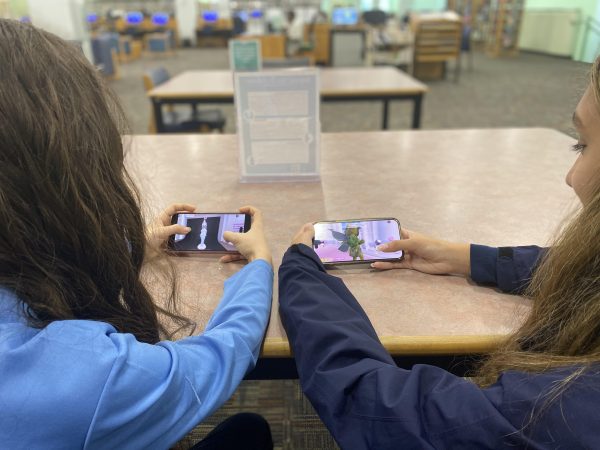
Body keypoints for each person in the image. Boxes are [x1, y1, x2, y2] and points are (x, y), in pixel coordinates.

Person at [278, 59, 600, 448]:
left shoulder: (563, 410)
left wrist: (300, 269)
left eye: (582, 145)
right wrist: (466, 257)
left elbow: (375, 403)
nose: (571, 176)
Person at [0, 20, 273, 450]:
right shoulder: (86, 378)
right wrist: (258, 267)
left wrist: (130, 249)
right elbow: (218, 357)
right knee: (250, 432)